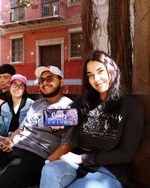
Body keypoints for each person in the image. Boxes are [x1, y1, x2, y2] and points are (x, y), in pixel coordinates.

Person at [40, 50, 144, 188]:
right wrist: (55, 122)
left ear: (112, 70)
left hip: (110, 171)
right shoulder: (85, 102)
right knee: (49, 169)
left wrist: (82, 158)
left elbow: (125, 153)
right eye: (90, 75)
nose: (96, 79)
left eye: (100, 71)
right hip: (77, 164)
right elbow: (62, 123)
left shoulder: (131, 107)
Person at [0, 65, 77, 188]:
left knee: (1, 185)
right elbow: (21, 129)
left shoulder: (67, 106)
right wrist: (11, 140)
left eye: (50, 79)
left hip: (36, 156)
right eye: (42, 80)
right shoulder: (36, 105)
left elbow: (68, 143)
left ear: (61, 81)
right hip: (15, 149)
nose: (45, 83)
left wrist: (47, 162)